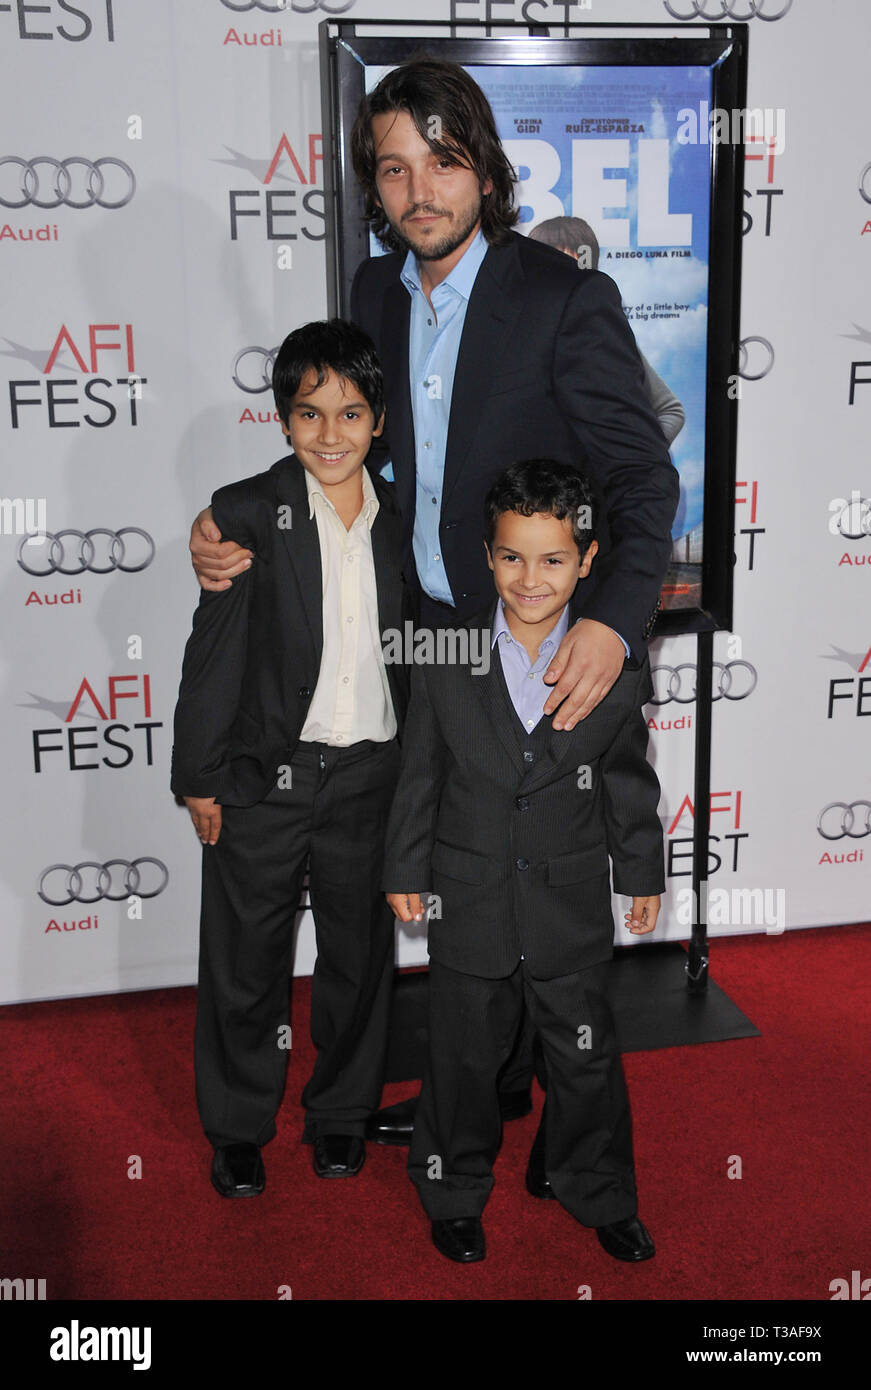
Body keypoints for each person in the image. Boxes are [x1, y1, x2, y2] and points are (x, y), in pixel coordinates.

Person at [187, 56, 679, 1150]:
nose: (419, 191)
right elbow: (340, 456)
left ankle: (546, 1119)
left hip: (534, 633)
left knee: (531, 878)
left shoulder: (564, 299)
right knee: (456, 868)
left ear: (486, 172)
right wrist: (221, 523)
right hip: (424, 639)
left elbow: (645, 478)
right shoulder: (369, 293)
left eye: (442, 162)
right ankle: (485, 1087)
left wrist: (610, 617)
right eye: (395, 167)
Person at [385, 459, 664, 1264]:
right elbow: (420, 774)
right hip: (466, 897)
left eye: (550, 560)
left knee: (585, 1059)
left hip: (567, 905)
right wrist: (405, 870)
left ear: (585, 560)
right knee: (461, 1059)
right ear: (486, 555)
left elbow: (625, 781)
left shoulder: (612, 665)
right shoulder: (444, 655)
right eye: (511, 556)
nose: (529, 578)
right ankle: (450, 1188)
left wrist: (638, 873)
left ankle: (597, 1189)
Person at [171, 319, 408, 1197]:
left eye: (350, 414)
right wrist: (199, 774)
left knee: (357, 956)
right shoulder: (245, 512)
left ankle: (341, 1114)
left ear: (378, 419)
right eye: (310, 414)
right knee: (245, 959)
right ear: (282, 419)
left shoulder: (405, 520)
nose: (331, 435)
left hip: (371, 777)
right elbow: (214, 651)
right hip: (263, 779)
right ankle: (237, 1127)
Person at [528, 215, 686, 445]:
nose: (561, 284)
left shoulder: (606, 339)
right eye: (550, 269)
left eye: (571, 271)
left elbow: (671, 410)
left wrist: (635, 459)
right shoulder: (516, 336)